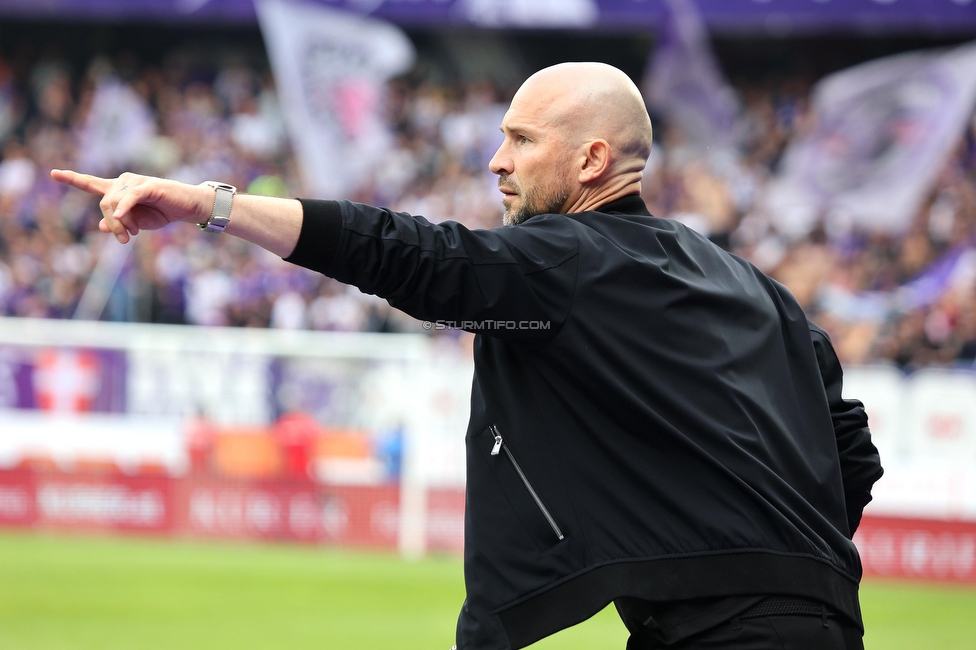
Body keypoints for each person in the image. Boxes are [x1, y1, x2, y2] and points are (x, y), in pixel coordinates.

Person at [52, 62, 882, 650]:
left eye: (521, 140)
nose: (497, 162)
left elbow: (407, 253)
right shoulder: (757, 288)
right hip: (817, 618)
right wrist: (780, 560)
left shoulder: (569, 258)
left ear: (591, 160)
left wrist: (208, 205)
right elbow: (851, 446)